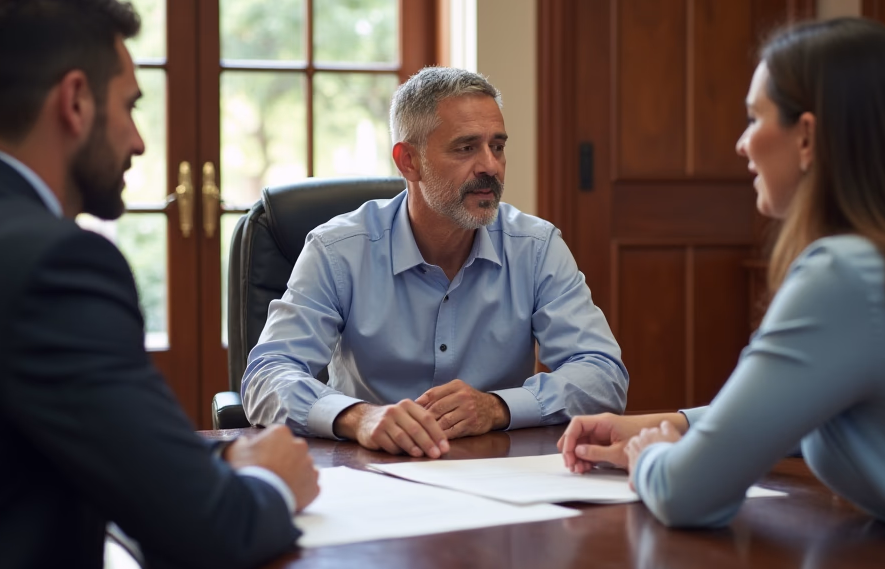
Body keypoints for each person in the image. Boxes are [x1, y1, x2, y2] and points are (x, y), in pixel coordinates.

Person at [558, 17, 885, 569]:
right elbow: (824, 407)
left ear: (806, 137)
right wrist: (679, 423)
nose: (742, 142)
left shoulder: (847, 276)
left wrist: (648, 455)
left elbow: (689, 493)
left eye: (754, 118)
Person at [0, 0, 319, 569]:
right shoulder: (54, 265)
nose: (138, 141)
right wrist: (273, 481)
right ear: (75, 102)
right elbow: (208, 533)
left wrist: (215, 470)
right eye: (131, 106)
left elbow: (86, 443)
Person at [243, 66, 628, 458]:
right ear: (408, 161)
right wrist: (359, 418)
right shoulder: (338, 250)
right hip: (370, 473)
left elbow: (603, 374)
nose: (490, 167)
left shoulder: (536, 247)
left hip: (496, 472)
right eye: (466, 148)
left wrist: (497, 407)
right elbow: (266, 376)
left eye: (497, 146)